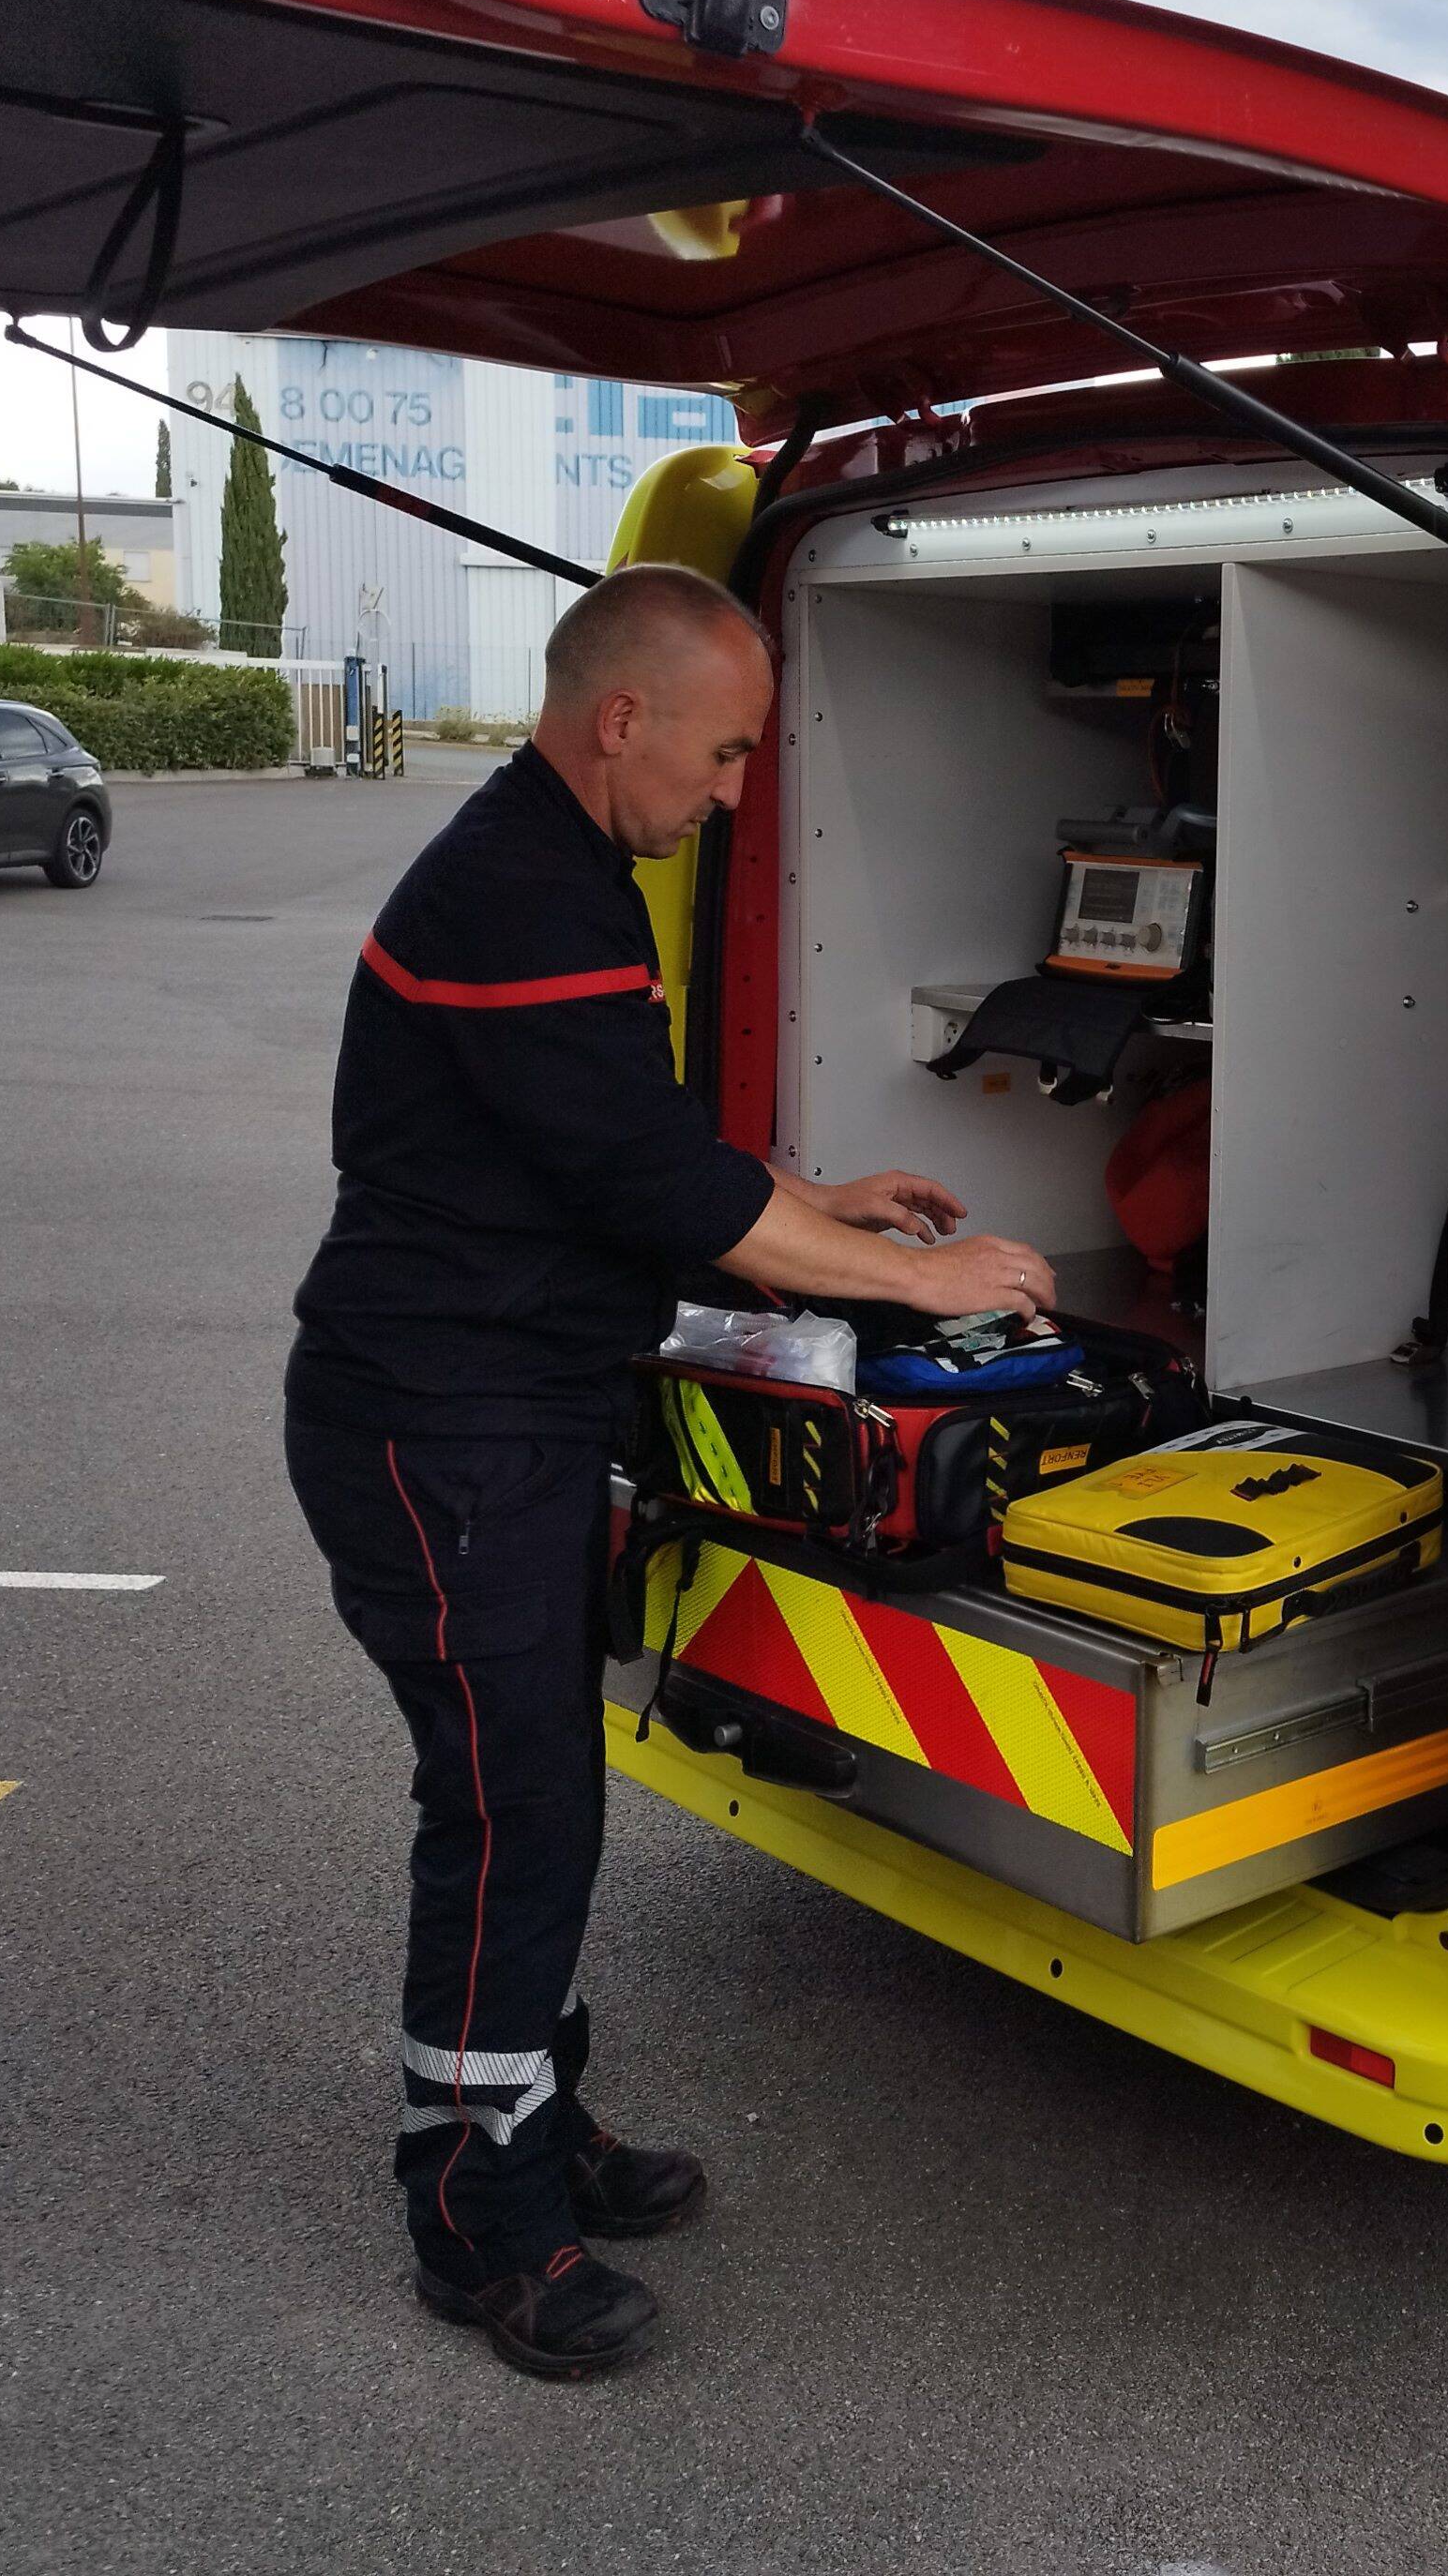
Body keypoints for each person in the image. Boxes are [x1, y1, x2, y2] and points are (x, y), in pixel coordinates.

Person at [283, 563, 1053, 2379]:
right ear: (620, 717)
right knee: (512, 1812)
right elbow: (661, 1193)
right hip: (442, 1425)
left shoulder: (561, 870)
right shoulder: (520, 893)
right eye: (720, 756)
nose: (731, 794)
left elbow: (628, 1141)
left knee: (539, 1791)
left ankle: (531, 2118)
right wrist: (913, 1276)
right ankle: (478, 2215)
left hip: (510, 1415)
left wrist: (817, 1198)